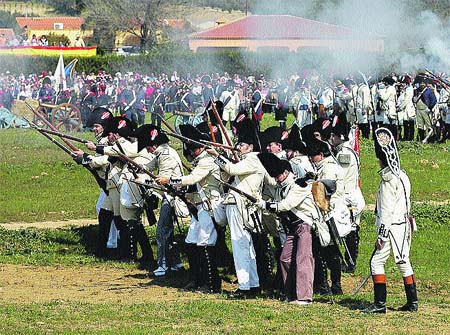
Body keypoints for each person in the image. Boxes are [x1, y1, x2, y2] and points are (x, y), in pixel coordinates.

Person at [157, 124, 222, 293]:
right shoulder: (200, 160)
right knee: (191, 242)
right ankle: (196, 279)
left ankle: (211, 283)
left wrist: (169, 180)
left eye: (193, 149)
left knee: (206, 243)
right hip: (199, 208)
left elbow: (193, 178)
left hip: (209, 206)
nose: (191, 153)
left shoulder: (207, 160)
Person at [207, 118, 265, 298]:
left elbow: (231, 169)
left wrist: (216, 156)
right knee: (246, 246)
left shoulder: (252, 160)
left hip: (239, 205)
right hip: (240, 205)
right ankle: (253, 284)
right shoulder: (250, 160)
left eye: (241, 145)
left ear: (250, 146)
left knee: (240, 245)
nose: (238, 147)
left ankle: (245, 286)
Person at [363, 127, 417, 314]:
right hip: (403, 226)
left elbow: (386, 211)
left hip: (391, 227)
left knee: (376, 262)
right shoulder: (403, 176)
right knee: (404, 262)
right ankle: (413, 302)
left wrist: (382, 235)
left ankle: (379, 304)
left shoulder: (387, 181)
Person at [257, 153, 321, 305]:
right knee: (285, 258)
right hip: (293, 227)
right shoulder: (283, 186)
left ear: (286, 172)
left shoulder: (299, 185)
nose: (276, 179)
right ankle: (291, 293)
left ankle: (305, 297)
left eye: (278, 175)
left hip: (305, 225)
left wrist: (265, 204)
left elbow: (286, 205)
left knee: (303, 260)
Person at [136, 124, 185, 277]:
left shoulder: (165, 155)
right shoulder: (162, 152)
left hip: (171, 197)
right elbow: (148, 166)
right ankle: (176, 264)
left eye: (148, 147)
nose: (148, 150)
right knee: (167, 232)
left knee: (162, 232)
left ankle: (163, 266)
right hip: (170, 196)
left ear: (154, 145)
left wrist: (143, 181)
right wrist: (139, 169)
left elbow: (161, 182)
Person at [330, 115, 365, 273]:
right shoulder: (343, 151)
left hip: (349, 197)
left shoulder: (344, 154)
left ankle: (351, 262)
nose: (332, 138)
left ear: (341, 137)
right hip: (349, 195)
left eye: (334, 136)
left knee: (351, 230)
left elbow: (340, 176)